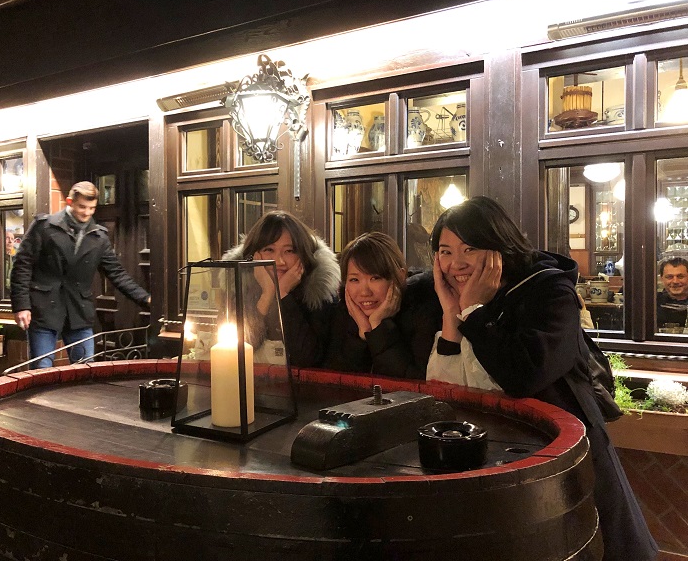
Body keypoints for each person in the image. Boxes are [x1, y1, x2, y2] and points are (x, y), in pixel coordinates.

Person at [427, 196, 657, 561]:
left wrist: (473, 310)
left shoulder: (550, 292)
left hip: (562, 455)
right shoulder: (453, 297)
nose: (456, 263)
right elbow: (444, 388)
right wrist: (451, 314)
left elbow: (524, 375)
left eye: (470, 248)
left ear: (499, 246)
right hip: (498, 455)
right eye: (445, 251)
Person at [11, 181, 151, 369]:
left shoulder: (99, 237)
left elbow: (117, 274)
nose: (87, 213)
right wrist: (21, 306)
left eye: (92, 208)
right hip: (43, 308)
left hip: (78, 311)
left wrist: (146, 299)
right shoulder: (44, 227)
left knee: (86, 371)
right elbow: (22, 266)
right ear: (70, 202)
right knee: (41, 372)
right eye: (82, 207)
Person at [222, 211, 340, 367]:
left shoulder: (318, 292)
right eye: (269, 250)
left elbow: (308, 359)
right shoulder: (239, 289)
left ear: (302, 254)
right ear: (254, 255)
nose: (279, 261)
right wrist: (267, 295)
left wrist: (283, 294)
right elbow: (238, 350)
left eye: (289, 251)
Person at [323, 232, 441, 377]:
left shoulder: (422, 309)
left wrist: (378, 328)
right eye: (354, 280)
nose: (364, 292)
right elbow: (334, 381)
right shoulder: (342, 311)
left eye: (375, 278)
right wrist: (362, 335)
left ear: (400, 276)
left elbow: (412, 382)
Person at [656, 256, 688, 328]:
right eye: (669, 277)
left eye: (680, 276)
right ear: (662, 279)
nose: (675, 281)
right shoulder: (652, 304)